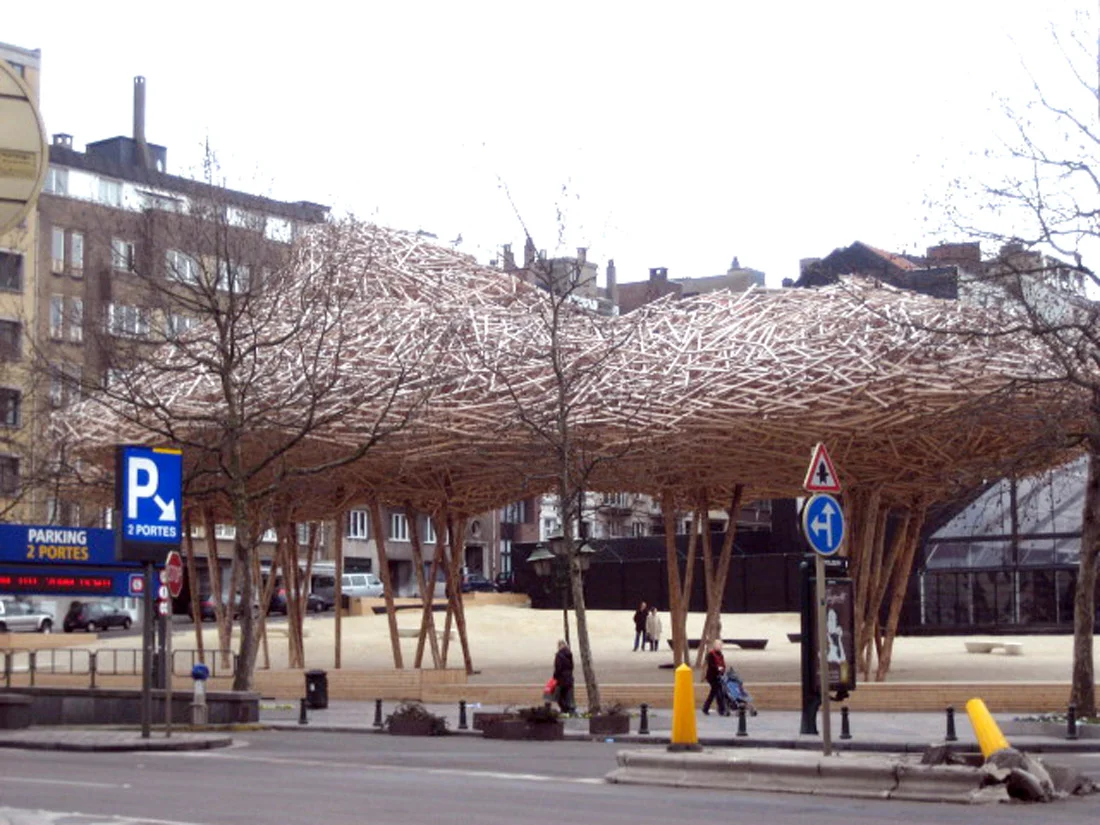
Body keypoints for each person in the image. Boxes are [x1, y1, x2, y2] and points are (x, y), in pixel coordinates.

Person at [702, 639, 729, 716]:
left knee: (713, 692)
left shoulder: (720, 654)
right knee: (718, 692)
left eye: (721, 645)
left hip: (719, 676)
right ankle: (721, 709)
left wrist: (723, 670)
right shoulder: (710, 654)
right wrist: (718, 668)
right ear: (714, 645)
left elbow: (723, 664)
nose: (720, 646)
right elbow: (711, 665)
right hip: (712, 676)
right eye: (718, 645)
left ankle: (705, 708)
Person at [553, 639, 575, 715]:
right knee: (568, 694)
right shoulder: (569, 654)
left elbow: (558, 668)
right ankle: (571, 709)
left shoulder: (559, 655)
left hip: (561, 679)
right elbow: (572, 666)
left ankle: (565, 709)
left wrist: (555, 677)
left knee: (558, 695)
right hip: (569, 678)